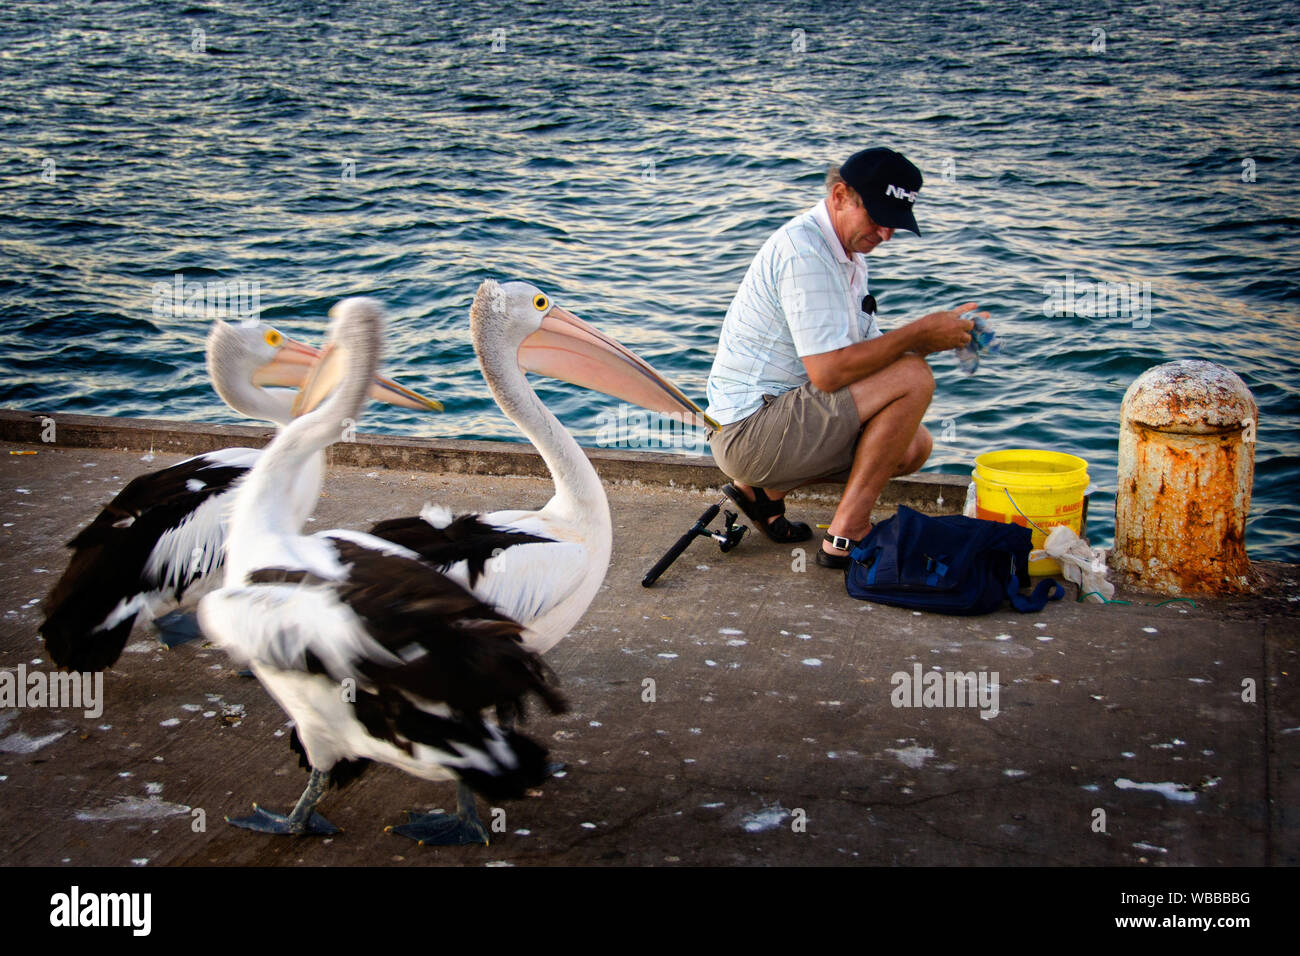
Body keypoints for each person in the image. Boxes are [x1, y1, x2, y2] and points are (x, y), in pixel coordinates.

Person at [705, 147, 983, 569]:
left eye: (895, 223)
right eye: (878, 218)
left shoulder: (846, 254)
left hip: (768, 425)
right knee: (914, 377)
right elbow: (830, 372)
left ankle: (764, 495)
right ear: (839, 196)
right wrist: (918, 335)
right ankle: (846, 534)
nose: (887, 234)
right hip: (748, 433)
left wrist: (937, 337)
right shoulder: (806, 253)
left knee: (913, 446)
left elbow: (864, 357)